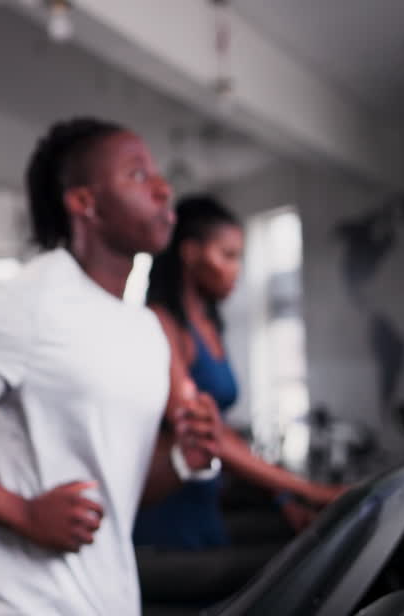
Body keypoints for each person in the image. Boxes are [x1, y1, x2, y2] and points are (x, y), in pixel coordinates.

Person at [0, 117, 222, 616]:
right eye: (136, 175)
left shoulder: (146, 331)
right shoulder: (26, 302)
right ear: (83, 202)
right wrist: (22, 513)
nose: (163, 188)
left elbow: (117, 487)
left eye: (157, 174)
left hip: (109, 601)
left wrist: (182, 457)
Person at [134, 195, 343, 551]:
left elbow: (223, 428)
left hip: (205, 503)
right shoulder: (160, 323)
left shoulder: (210, 326)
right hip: (167, 514)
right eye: (227, 255)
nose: (237, 270)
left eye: (239, 257)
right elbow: (204, 433)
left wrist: (281, 496)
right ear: (190, 253)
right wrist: (311, 490)